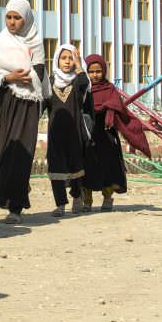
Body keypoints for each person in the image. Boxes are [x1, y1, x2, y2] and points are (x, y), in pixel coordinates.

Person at [0, 0, 48, 224]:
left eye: (17, 18)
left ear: (26, 19)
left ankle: (15, 207)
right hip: (3, 101)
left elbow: (38, 73)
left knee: (21, 154)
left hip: (28, 105)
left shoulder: (36, 43)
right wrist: (8, 77)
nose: (12, 22)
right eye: (9, 17)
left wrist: (27, 78)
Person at [82, 54, 152, 211]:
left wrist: (110, 112)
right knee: (88, 167)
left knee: (109, 167)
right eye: (91, 71)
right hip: (88, 135)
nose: (95, 75)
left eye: (98, 71)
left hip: (107, 134)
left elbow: (118, 106)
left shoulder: (110, 88)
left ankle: (107, 198)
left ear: (104, 71)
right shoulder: (84, 89)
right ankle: (87, 200)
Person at [45, 44, 92, 216]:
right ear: (57, 60)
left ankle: (77, 197)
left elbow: (85, 82)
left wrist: (79, 65)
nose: (67, 61)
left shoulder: (77, 81)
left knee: (76, 166)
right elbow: (41, 104)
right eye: (63, 58)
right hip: (55, 132)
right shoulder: (50, 82)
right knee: (55, 166)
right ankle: (60, 204)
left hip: (75, 132)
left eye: (70, 58)